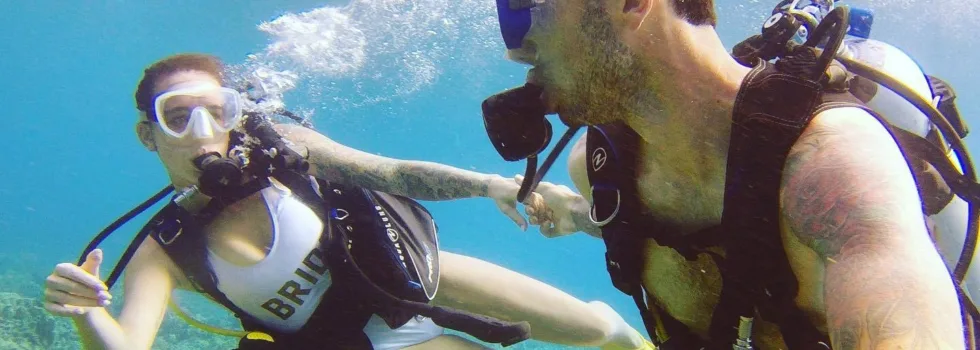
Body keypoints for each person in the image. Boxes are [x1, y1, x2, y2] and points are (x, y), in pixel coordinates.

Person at [40, 53, 655, 350]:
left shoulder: (286, 149)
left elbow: (389, 172)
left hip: (419, 278)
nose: (202, 132)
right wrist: (87, 314)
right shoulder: (165, 246)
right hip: (350, 343)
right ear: (148, 135)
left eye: (216, 111)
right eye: (177, 119)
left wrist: (490, 183)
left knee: (599, 329)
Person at [480, 0, 980, 348]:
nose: (515, 47)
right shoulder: (597, 169)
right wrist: (581, 216)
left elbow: (895, 296)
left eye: (530, 5)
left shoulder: (829, 163)